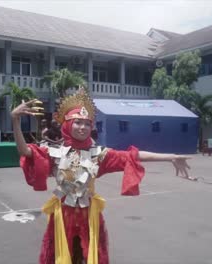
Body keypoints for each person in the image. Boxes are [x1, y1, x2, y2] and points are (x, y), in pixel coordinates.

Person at [11, 89, 195, 264]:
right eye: (78, 122)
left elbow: (133, 156)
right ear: (67, 124)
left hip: (89, 216)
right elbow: (25, 152)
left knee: (89, 257)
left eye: (87, 123)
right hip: (62, 216)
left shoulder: (99, 154)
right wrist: (15, 121)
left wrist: (171, 156)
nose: (82, 127)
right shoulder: (54, 152)